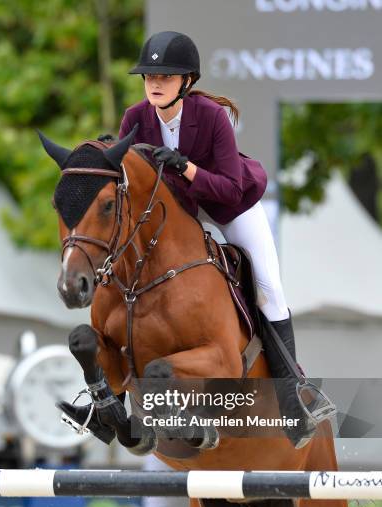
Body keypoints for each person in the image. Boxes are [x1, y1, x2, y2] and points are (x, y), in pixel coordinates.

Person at [119, 31, 334, 449]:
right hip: (174, 215)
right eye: (149, 76)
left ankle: (292, 397)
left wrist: (186, 168)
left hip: (229, 206)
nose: (155, 83)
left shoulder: (212, 116)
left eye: (166, 75)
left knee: (269, 287)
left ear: (187, 82)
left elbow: (230, 190)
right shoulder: (134, 118)